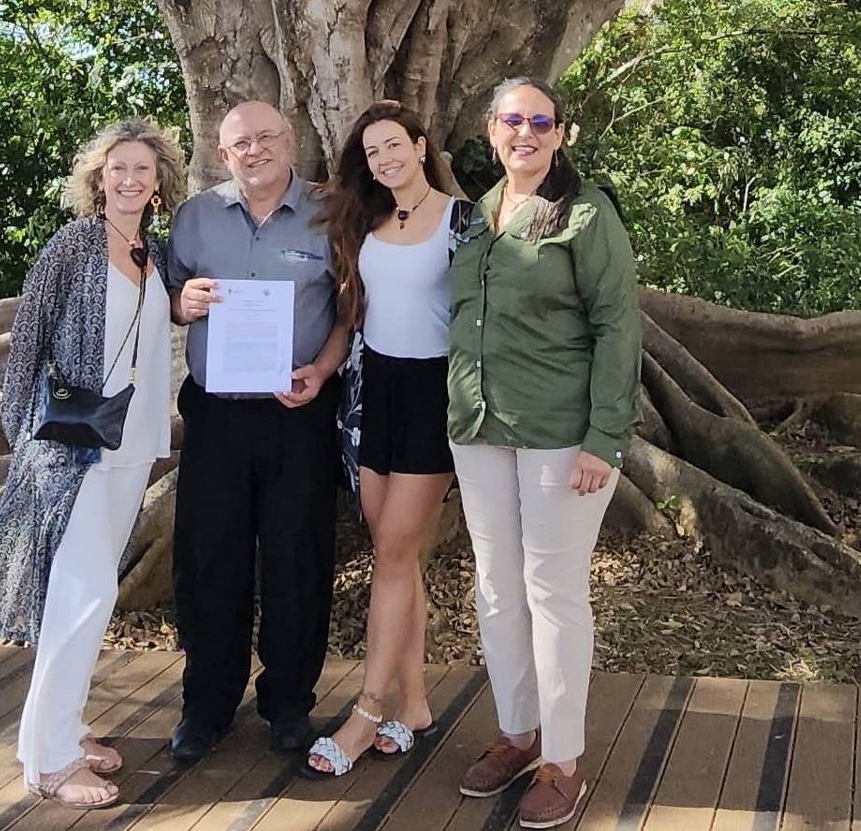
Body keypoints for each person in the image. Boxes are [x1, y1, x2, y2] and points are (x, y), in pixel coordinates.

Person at [0, 120, 184, 809]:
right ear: (98, 179)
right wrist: (24, 440)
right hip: (72, 448)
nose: (129, 179)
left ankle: (67, 728)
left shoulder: (158, 253)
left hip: (133, 444)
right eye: (118, 168)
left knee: (92, 592)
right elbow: (27, 343)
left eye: (142, 169)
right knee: (82, 593)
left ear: (159, 183)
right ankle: (47, 762)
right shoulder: (72, 245)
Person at [447, 77, 640, 828]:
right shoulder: (479, 214)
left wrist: (605, 439)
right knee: (496, 589)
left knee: (552, 592)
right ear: (491, 129)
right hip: (478, 427)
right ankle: (517, 732)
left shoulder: (586, 214)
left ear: (559, 134)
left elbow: (618, 327)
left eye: (540, 121)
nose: (524, 132)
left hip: (561, 433)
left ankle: (563, 760)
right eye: (511, 120)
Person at [165, 101, 350, 762]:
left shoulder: (332, 214)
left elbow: (350, 312)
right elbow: (168, 298)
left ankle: (289, 703)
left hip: (297, 414)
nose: (255, 150)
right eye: (240, 143)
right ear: (223, 154)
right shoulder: (195, 216)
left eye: (266, 137)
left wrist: (322, 371)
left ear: (290, 141)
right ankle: (206, 705)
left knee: (297, 557)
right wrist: (181, 303)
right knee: (209, 558)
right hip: (215, 416)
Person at [303, 101, 467, 778]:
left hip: (434, 394)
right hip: (372, 392)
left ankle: (368, 712)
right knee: (393, 552)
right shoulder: (365, 222)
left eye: (394, 145)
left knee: (396, 549)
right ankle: (417, 703)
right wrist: (321, 370)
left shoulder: (463, 221)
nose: (384, 159)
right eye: (372, 152)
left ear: (421, 146)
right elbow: (351, 316)